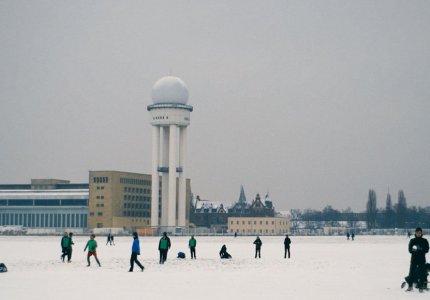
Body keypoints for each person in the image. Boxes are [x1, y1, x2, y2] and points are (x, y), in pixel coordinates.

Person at [405, 227, 429, 292]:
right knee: (411, 273)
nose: (418, 234)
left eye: (420, 233)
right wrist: (414, 250)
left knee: (422, 273)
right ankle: (410, 286)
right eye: (417, 232)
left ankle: (421, 287)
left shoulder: (425, 241)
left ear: (421, 233)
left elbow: (427, 250)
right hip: (414, 259)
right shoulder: (412, 240)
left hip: (422, 259)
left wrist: (420, 249)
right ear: (415, 233)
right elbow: (410, 250)